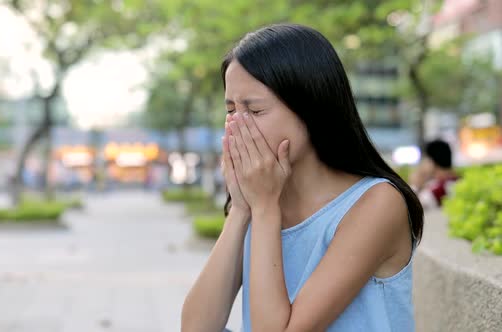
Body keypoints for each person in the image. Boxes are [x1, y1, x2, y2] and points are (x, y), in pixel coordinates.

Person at [181, 23, 423, 332]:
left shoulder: (378, 204)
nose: (238, 127)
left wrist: (266, 207)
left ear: (310, 109)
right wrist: (242, 209)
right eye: (231, 110)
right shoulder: (258, 201)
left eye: (254, 111)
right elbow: (196, 328)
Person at [409, 139, 459, 209]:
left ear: (431, 161)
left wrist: (416, 185)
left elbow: (410, 207)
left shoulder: (437, 190)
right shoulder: (457, 181)